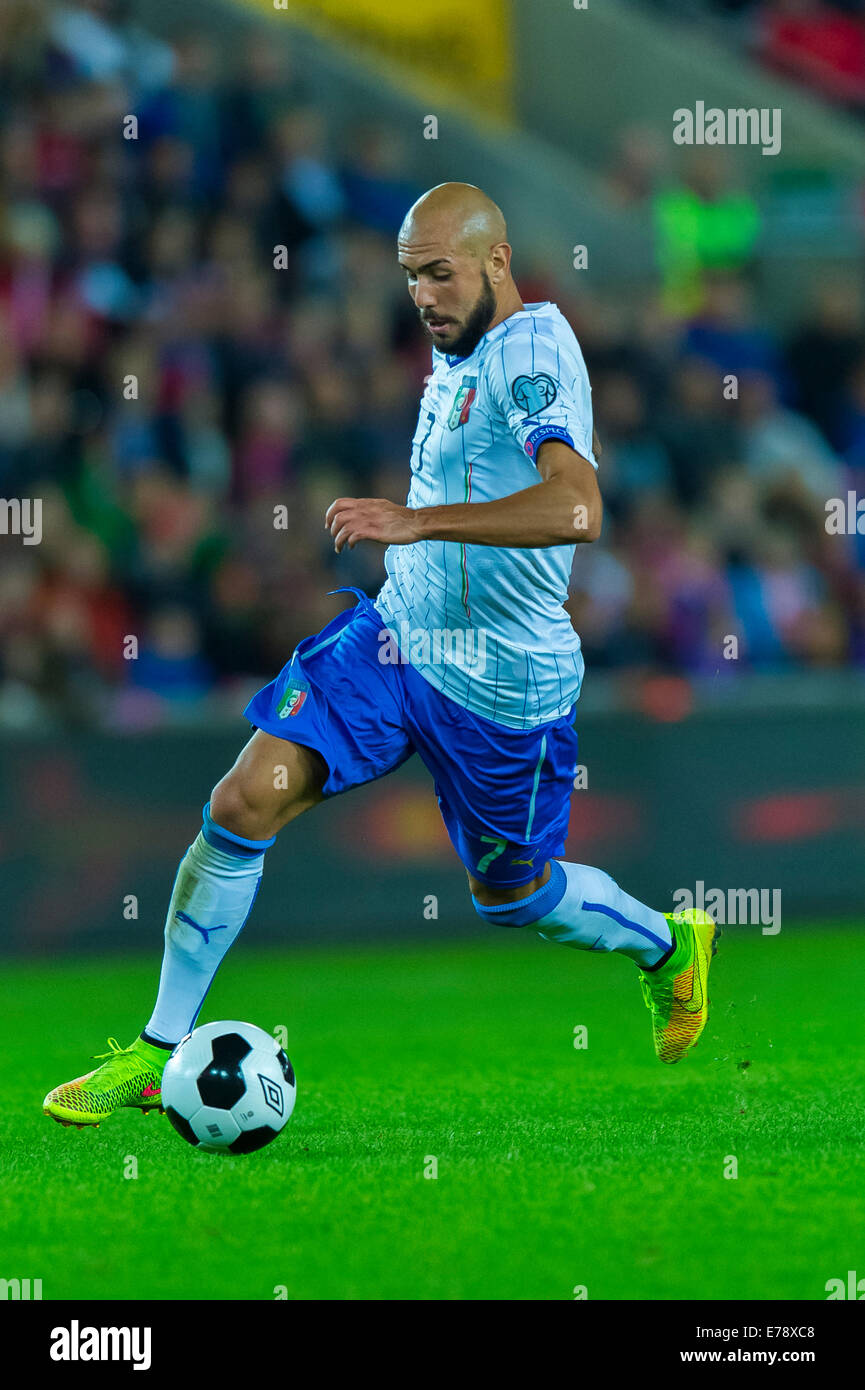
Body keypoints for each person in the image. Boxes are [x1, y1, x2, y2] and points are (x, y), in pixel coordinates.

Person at [43, 183, 718, 1128]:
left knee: (513, 896)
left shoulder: (531, 353)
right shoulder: (459, 346)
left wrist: (411, 520)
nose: (424, 298)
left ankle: (664, 948)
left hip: (501, 682)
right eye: (410, 279)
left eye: (439, 274)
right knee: (245, 798)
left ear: (495, 261)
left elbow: (579, 508)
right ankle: (158, 1055)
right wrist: (414, 545)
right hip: (399, 635)